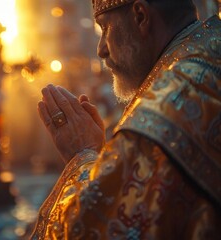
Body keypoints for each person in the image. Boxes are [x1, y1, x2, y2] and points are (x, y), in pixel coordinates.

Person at [31, 0, 221, 239]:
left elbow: (102, 227)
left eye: (105, 28)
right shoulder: (210, 53)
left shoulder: (168, 106)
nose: (101, 49)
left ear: (140, 16)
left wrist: (83, 155)